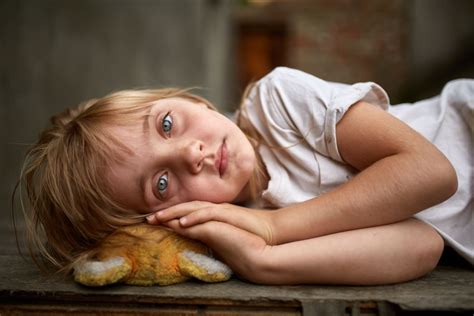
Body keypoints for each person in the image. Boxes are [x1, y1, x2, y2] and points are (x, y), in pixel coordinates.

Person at [16, 67, 473, 285]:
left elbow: (433, 174)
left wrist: (275, 230)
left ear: (190, 100)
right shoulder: (236, 228)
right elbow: (420, 244)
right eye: (161, 184)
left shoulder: (279, 103)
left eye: (166, 124)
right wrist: (262, 261)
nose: (190, 153)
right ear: (164, 220)